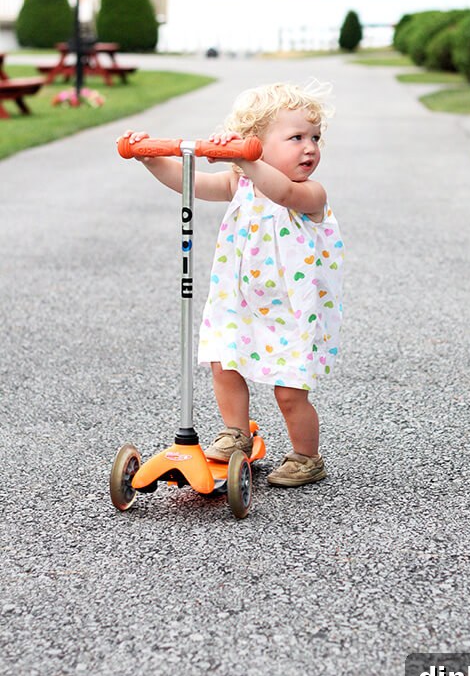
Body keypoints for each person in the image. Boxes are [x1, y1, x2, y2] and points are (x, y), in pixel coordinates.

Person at [120, 80, 343, 487]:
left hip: (289, 312)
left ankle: (307, 457)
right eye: (296, 138)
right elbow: (193, 183)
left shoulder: (310, 193)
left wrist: (246, 158)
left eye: (315, 138)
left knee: (289, 393)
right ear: (255, 141)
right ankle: (236, 434)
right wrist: (151, 160)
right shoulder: (238, 183)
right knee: (223, 364)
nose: (310, 147)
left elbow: (281, 192)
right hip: (239, 302)